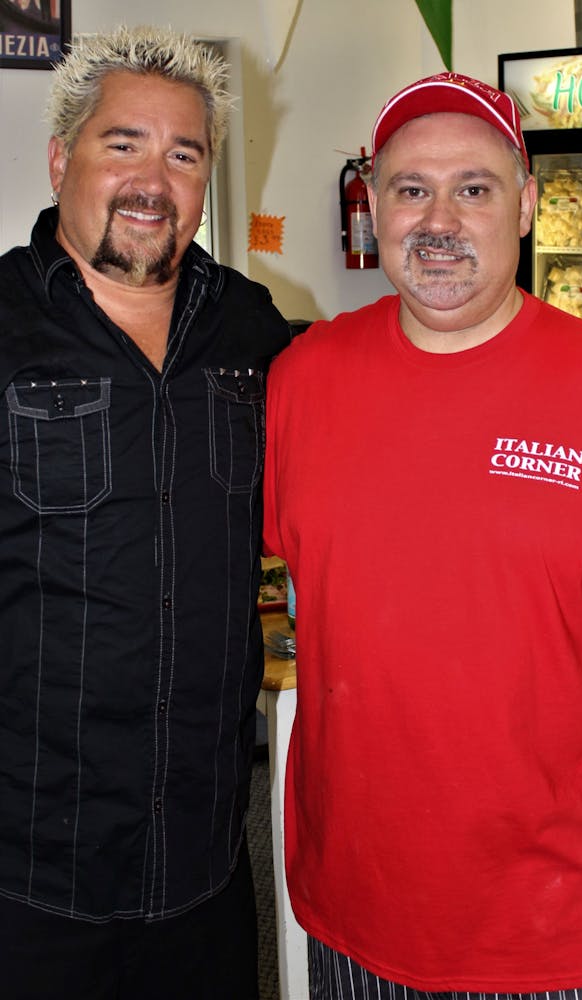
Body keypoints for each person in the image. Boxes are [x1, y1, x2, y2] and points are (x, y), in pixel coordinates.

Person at [263, 72, 582, 999]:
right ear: (377, 205)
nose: (436, 220)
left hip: (552, 933)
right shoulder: (306, 377)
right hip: (351, 915)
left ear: (523, 205)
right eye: (410, 190)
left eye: (472, 190)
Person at [0, 24, 290, 1000]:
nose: (151, 180)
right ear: (60, 158)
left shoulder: (253, 332)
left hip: (203, 869)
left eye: (183, 152)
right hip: (27, 880)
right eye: (122, 143)